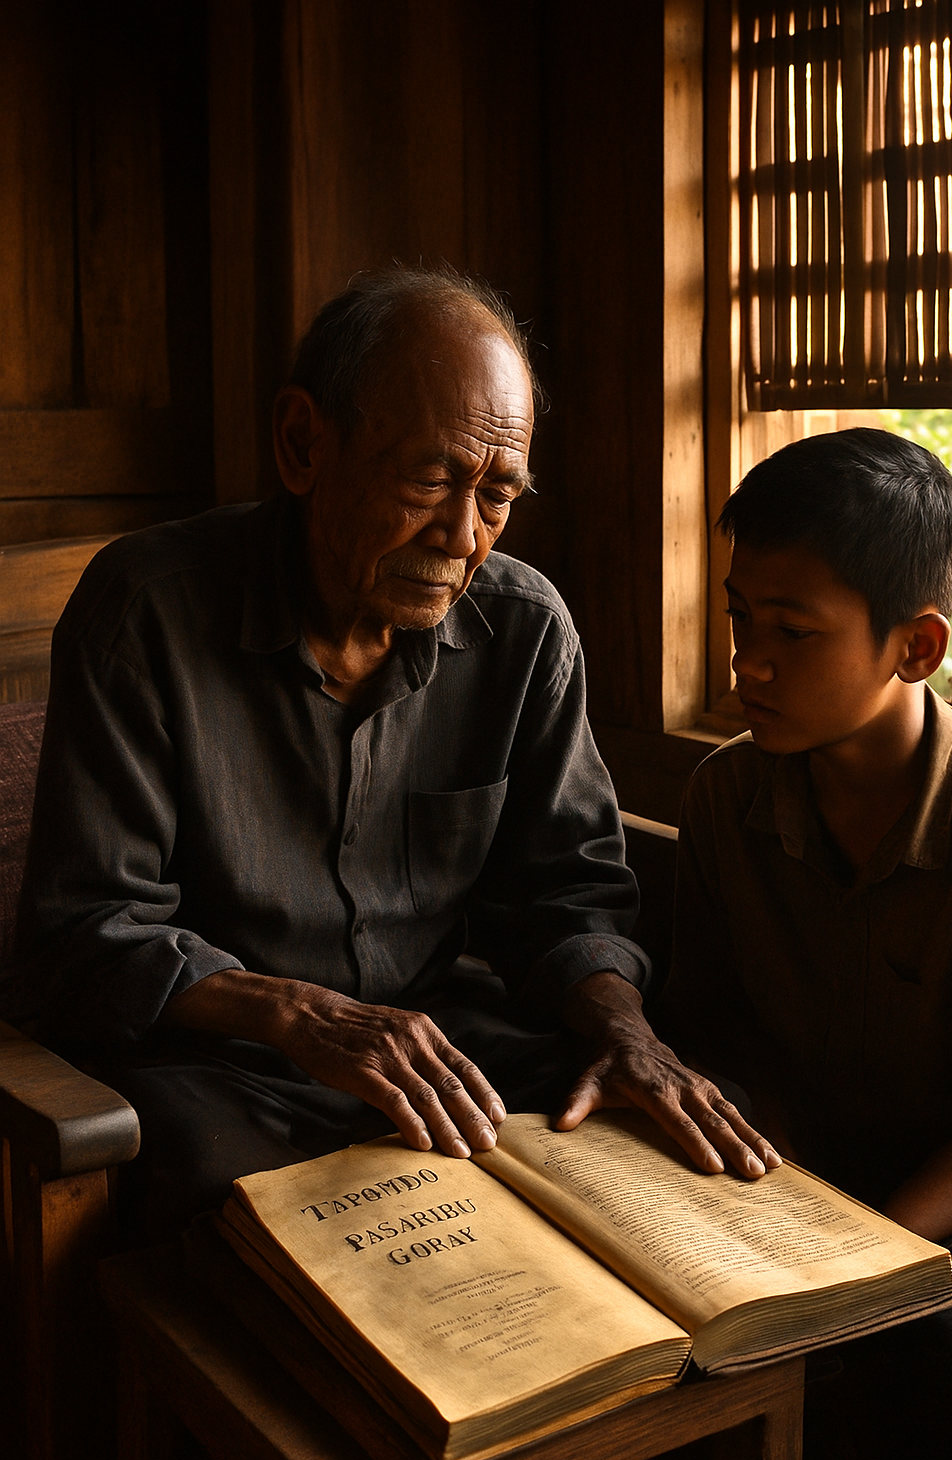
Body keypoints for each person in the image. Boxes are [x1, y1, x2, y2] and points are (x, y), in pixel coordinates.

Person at [2, 267, 776, 1237]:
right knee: (217, 1206)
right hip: (223, 1065)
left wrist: (629, 1037)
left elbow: (564, 893)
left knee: (686, 1141)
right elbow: (88, 931)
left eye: (497, 493)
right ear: (301, 444)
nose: (463, 536)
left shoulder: (525, 629)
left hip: (438, 1039)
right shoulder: (147, 612)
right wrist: (302, 1017)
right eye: (428, 480)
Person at [658, 427, 952, 1460]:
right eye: (737, 619)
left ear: (914, 649)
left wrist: (849, 1266)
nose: (745, 665)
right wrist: (773, 1187)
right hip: (798, 1175)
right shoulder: (729, 798)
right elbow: (722, 1033)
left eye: (790, 632)